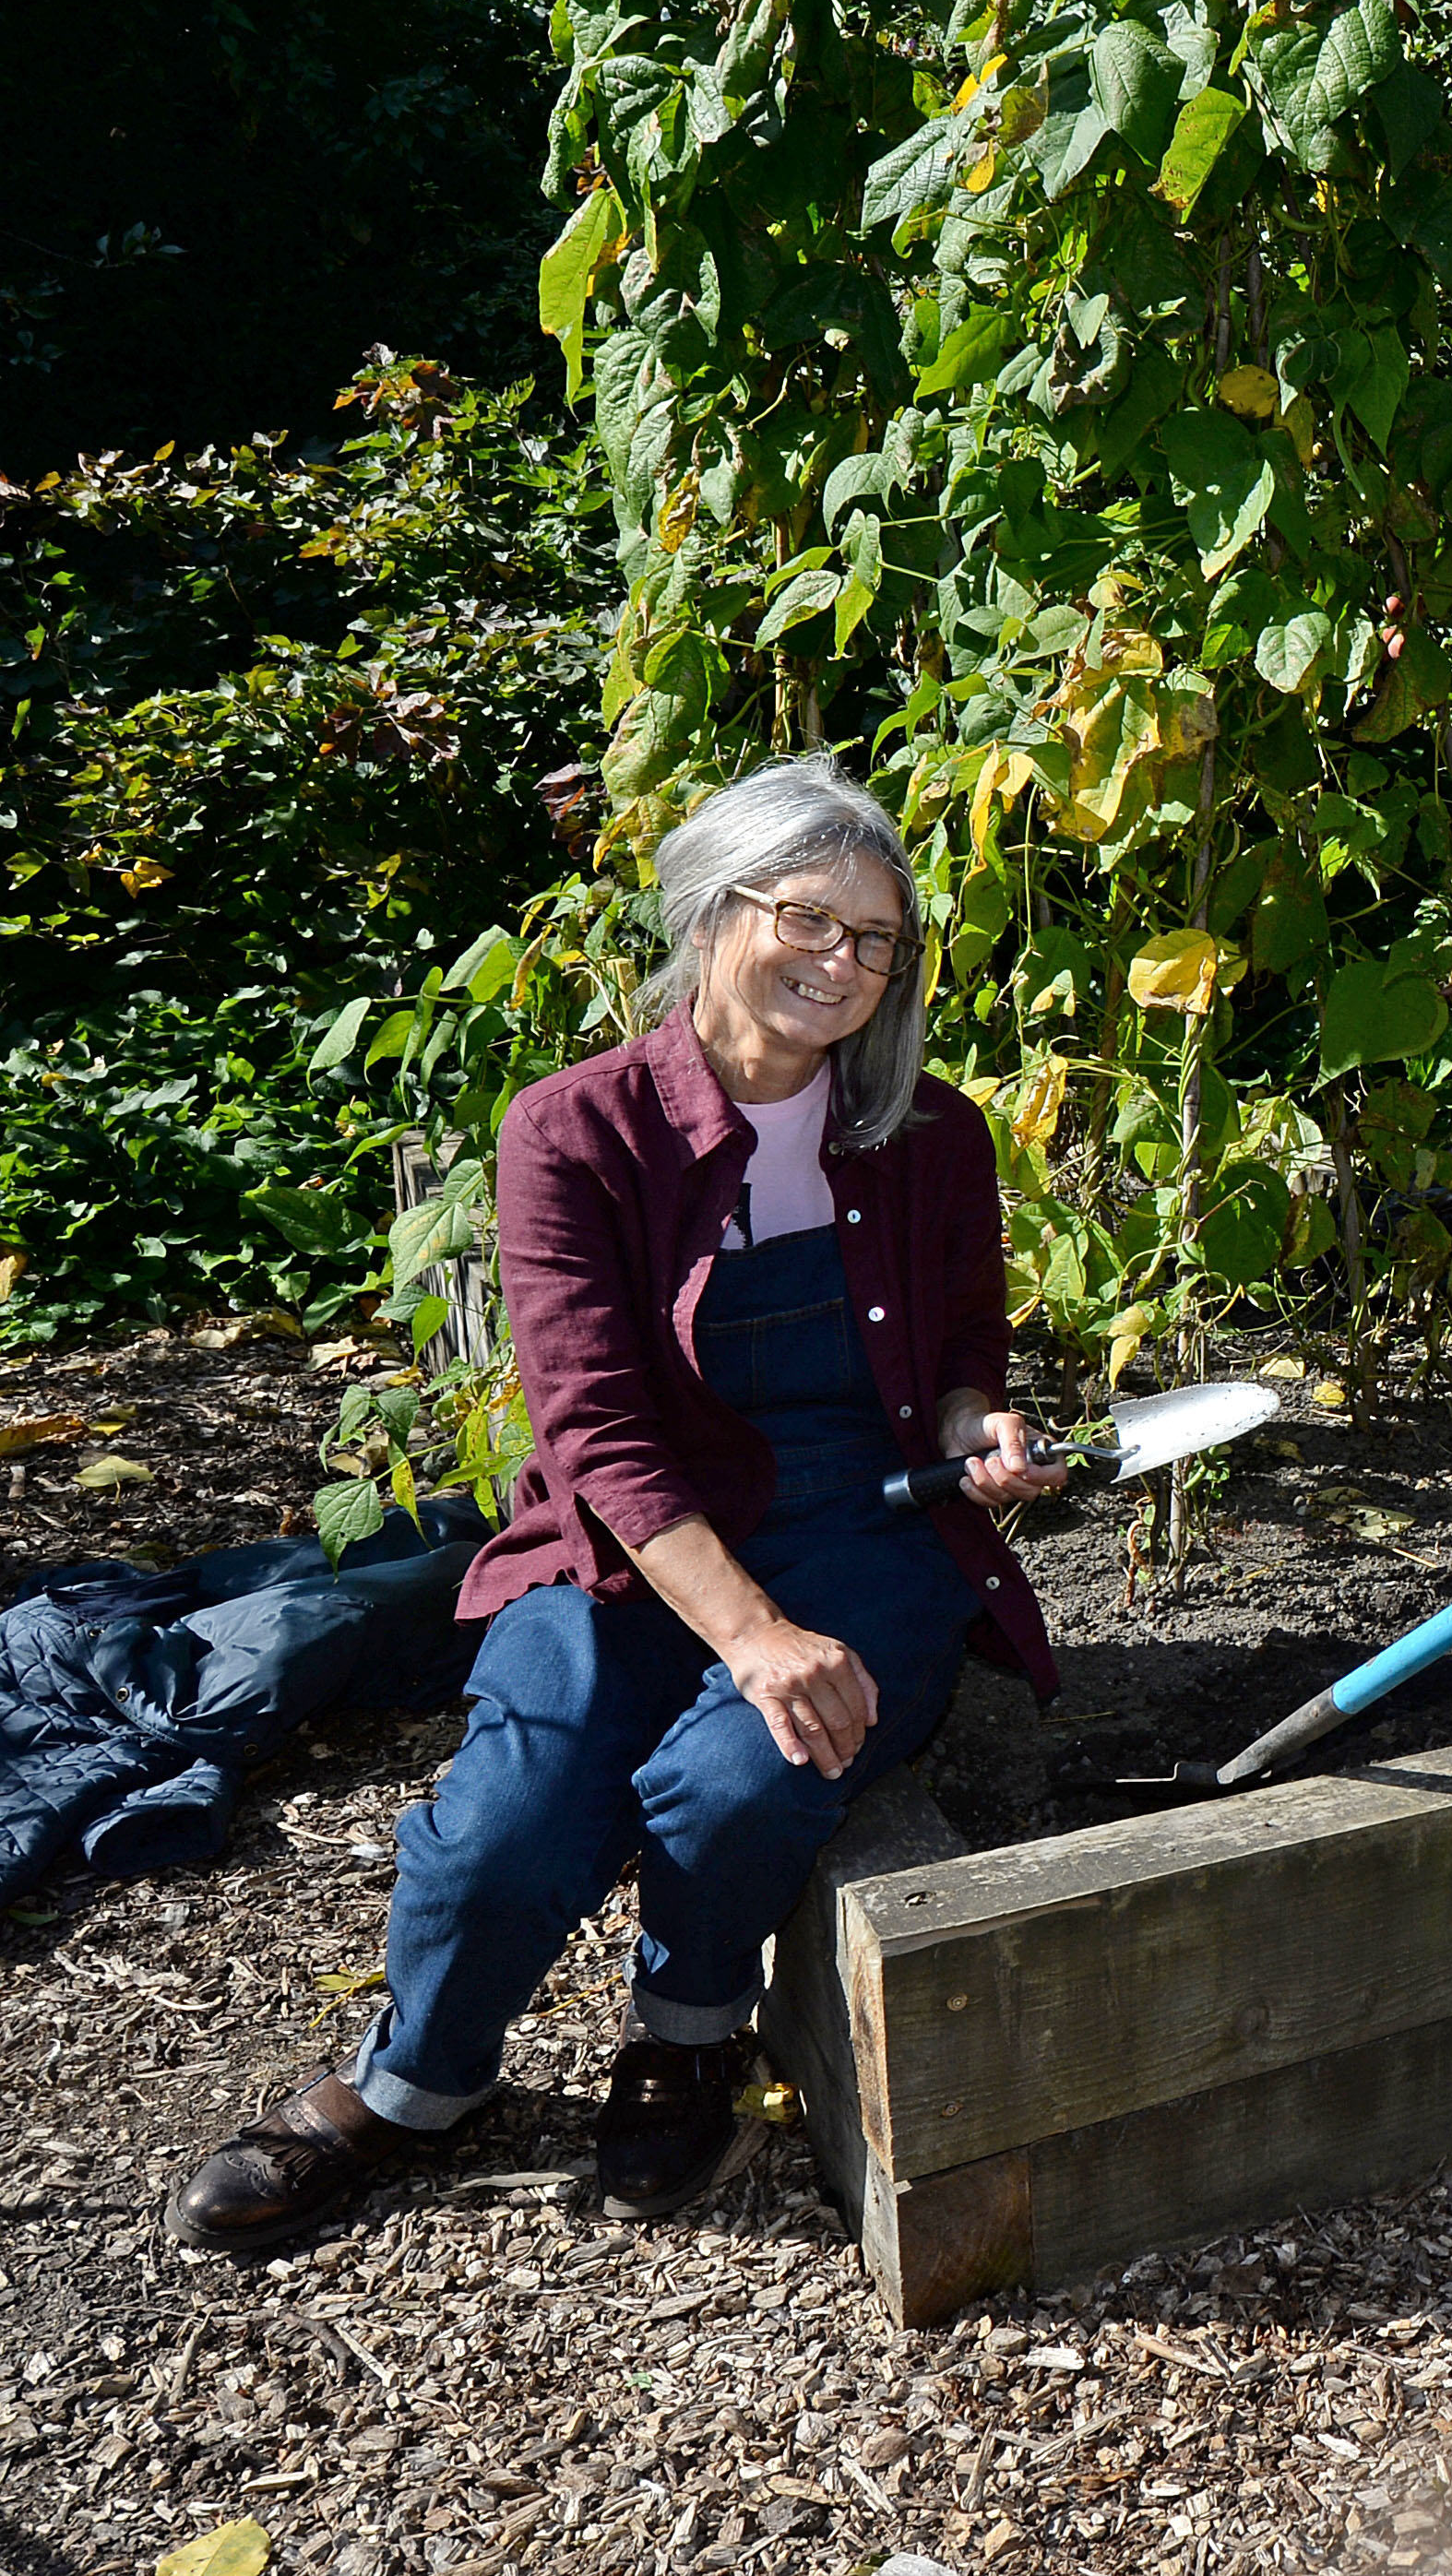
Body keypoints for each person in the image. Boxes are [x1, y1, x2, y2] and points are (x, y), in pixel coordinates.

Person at [168, 756, 1068, 2251]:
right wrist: (753, 1629)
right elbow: (598, 1431)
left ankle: (688, 2029)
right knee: (509, 1817)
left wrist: (983, 1430)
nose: (844, 965)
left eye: (876, 941)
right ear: (714, 912)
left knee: (744, 1774)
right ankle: (414, 2086)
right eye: (810, 920)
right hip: (630, 1546)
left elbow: (963, 1350)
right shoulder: (573, 1131)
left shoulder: (930, 1132)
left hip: (865, 1527)